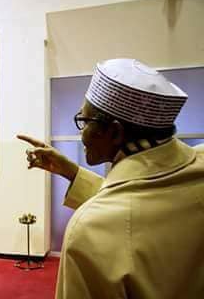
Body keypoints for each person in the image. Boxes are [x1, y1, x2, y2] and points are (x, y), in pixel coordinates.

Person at [18, 58, 204, 299]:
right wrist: (72, 173)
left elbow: (121, 216)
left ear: (115, 132)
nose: (82, 133)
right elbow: (143, 204)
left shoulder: (88, 230)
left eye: (85, 122)